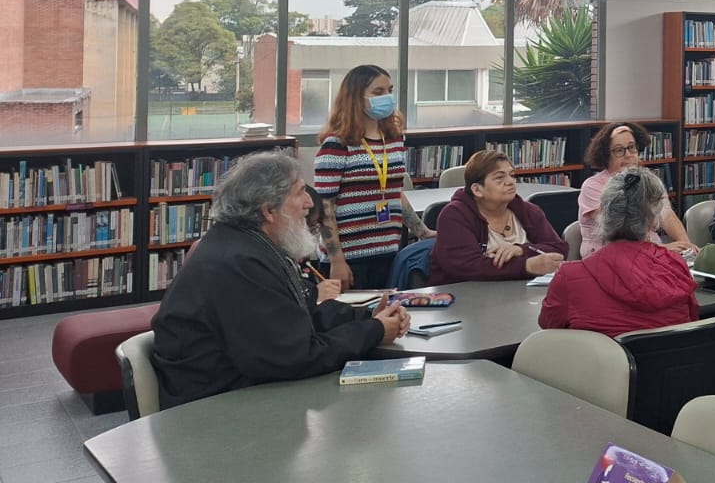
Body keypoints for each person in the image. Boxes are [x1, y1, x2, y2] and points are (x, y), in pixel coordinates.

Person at [152, 151, 409, 409]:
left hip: (244, 396)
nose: (309, 202)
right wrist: (373, 331)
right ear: (269, 211)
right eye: (299, 193)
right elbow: (297, 357)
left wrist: (367, 317)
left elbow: (302, 314)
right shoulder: (240, 264)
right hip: (216, 412)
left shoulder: (249, 247)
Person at [538, 168, 700, 336]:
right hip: (670, 361)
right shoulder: (676, 267)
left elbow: (549, 326)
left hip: (602, 361)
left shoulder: (568, 278)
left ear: (604, 215)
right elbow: (692, 320)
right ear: (653, 220)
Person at [313, 65, 429, 290]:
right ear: (356, 97)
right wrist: (337, 260)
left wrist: (421, 231)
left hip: (388, 251)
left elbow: (394, 192)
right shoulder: (336, 144)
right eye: (378, 92)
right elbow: (325, 206)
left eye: (389, 90)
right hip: (349, 258)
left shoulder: (394, 139)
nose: (387, 97)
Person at [427, 149, 566, 283]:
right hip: (465, 297)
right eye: (499, 178)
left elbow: (559, 249)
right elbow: (467, 267)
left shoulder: (527, 210)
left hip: (521, 295)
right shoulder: (454, 215)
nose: (510, 182)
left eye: (512, 175)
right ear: (477, 189)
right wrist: (526, 266)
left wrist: (521, 249)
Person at [576, 121, 692, 259]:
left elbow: (666, 214)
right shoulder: (592, 186)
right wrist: (661, 249)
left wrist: (687, 246)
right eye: (619, 150)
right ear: (606, 155)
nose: (628, 154)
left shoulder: (648, 180)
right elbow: (618, 229)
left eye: (632, 147)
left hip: (651, 254)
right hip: (608, 258)